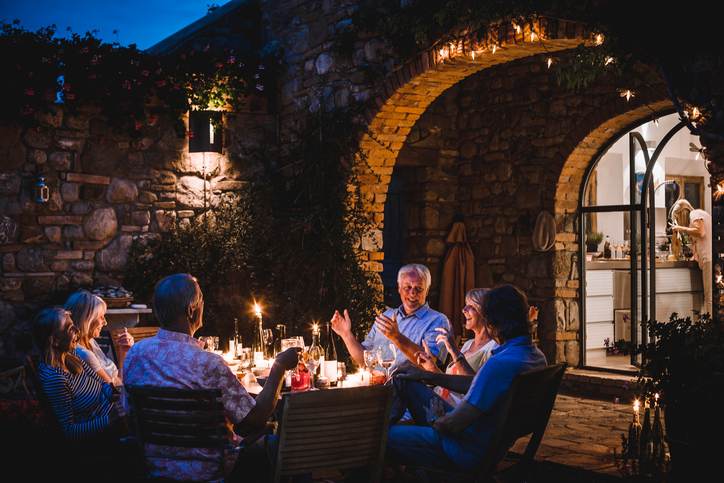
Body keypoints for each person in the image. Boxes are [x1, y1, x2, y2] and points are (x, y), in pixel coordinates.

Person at [122, 273, 299, 481]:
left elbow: (128, 414)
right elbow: (254, 420)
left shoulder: (135, 355)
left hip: (154, 469)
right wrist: (279, 367)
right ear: (191, 310)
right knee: (284, 445)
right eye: (202, 300)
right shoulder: (208, 364)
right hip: (212, 472)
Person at [386, 284, 547, 470]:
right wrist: (430, 377)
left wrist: (435, 419)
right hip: (491, 445)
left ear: (493, 323)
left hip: (464, 448)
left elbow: (452, 425)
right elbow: (477, 383)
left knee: (379, 437)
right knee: (405, 379)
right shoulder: (535, 357)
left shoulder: (500, 364)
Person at [391, 288, 497, 423]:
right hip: (439, 399)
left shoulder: (493, 348)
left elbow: (474, 386)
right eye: (465, 305)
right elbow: (450, 382)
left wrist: (454, 351)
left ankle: (385, 429)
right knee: (403, 371)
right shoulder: (468, 344)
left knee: (403, 378)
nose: (464, 310)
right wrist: (432, 367)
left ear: (484, 312)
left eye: (471, 306)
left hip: (453, 415)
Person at [331, 264, 451, 369]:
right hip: (377, 386)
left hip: (408, 391)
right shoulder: (386, 316)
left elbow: (430, 365)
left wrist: (396, 337)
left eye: (418, 289)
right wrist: (346, 335)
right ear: (399, 289)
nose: (412, 293)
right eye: (407, 287)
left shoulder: (438, 320)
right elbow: (363, 360)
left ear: (427, 290)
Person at [32, 307, 124, 440]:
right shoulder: (55, 378)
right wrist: (111, 419)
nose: (78, 331)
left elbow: (102, 384)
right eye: (70, 328)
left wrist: (119, 395)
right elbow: (68, 431)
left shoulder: (72, 356)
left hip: (115, 411)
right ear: (54, 341)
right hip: (105, 431)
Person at [65, 290, 133, 386]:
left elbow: (118, 381)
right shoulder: (85, 355)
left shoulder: (90, 342)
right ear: (87, 320)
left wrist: (124, 351)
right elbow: (116, 390)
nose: (105, 322)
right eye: (101, 317)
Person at [671, 205, 712, 315]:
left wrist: (680, 228)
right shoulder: (703, 215)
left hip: (708, 259)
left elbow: (701, 232)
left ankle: (712, 329)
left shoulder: (695, 214)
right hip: (711, 258)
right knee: (713, 296)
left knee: (709, 298)